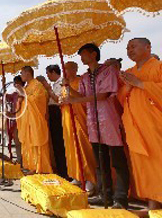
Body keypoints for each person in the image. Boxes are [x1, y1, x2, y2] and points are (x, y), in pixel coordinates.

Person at [63, 43, 129, 209]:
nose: (81, 58)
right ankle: (104, 195)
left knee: (117, 160)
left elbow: (104, 95)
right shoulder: (85, 77)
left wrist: (76, 100)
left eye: (83, 54)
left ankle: (120, 198)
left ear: (93, 54)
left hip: (109, 119)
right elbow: (83, 96)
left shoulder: (108, 71)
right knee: (100, 161)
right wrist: (68, 88)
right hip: (93, 122)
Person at [118, 38, 162, 211]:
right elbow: (121, 99)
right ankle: (152, 204)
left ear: (148, 47)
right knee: (143, 164)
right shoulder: (129, 71)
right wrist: (128, 87)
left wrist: (141, 84)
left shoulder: (158, 67)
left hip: (155, 124)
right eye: (127, 47)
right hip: (135, 125)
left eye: (133, 46)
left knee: (158, 161)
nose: (129, 50)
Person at [60, 62, 96, 192]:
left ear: (75, 70)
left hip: (79, 118)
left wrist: (68, 87)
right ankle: (77, 175)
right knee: (72, 149)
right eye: (64, 69)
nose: (65, 72)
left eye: (67, 69)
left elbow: (82, 97)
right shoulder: (64, 85)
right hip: (68, 119)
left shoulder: (80, 81)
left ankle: (90, 178)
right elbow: (65, 99)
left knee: (83, 148)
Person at [18, 66, 52, 174]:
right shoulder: (27, 87)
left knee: (37, 143)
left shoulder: (37, 85)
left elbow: (39, 100)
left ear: (28, 73)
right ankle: (31, 166)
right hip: (27, 121)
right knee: (29, 143)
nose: (21, 75)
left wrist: (23, 95)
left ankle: (40, 167)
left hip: (35, 119)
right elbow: (24, 102)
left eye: (22, 73)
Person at [38, 64, 68, 179]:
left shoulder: (61, 83)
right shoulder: (55, 84)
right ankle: (59, 169)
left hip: (58, 112)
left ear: (53, 72)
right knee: (55, 143)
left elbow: (58, 100)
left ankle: (64, 171)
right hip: (52, 113)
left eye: (48, 73)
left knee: (60, 143)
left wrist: (48, 88)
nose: (48, 76)